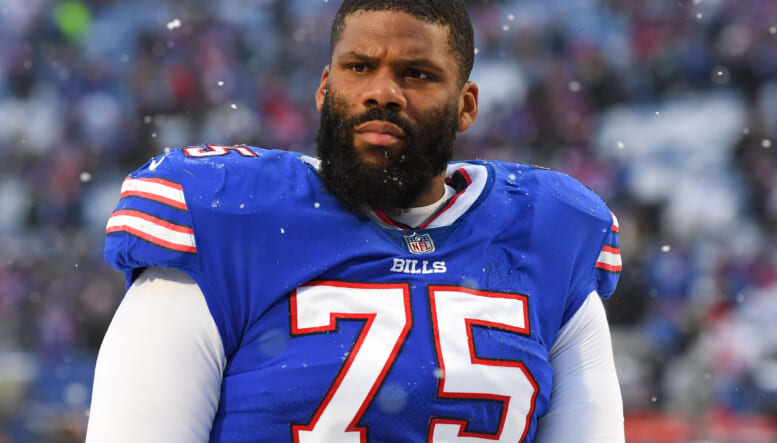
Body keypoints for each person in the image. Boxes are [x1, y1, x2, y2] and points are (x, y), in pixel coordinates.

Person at [86, 0, 625, 441]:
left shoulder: (548, 234)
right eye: (360, 67)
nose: (383, 93)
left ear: (466, 105)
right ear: (325, 89)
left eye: (416, 74)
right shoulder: (230, 218)